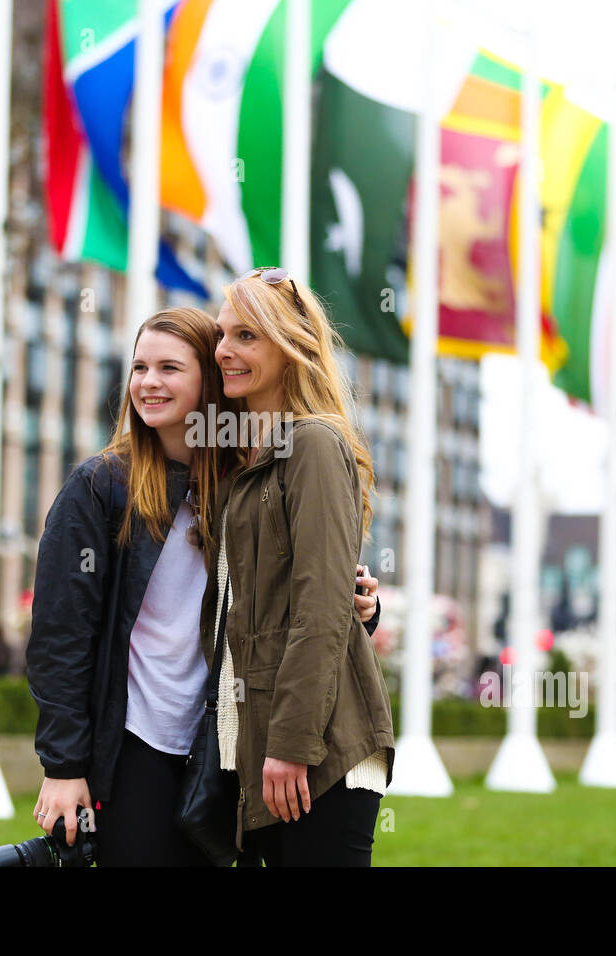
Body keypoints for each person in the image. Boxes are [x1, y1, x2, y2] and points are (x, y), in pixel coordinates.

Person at [25, 307, 381, 867]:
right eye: (139, 367)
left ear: (209, 383)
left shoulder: (250, 479)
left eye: (169, 367)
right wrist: (63, 766)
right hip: (137, 745)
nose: (148, 382)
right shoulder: (99, 487)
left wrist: (361, 602)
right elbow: (59, 637)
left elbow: (301, 596)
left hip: (225, 748)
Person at [202, 267, 395, 867]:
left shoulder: (311, 443)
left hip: (318, 754)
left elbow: (318, 606)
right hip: (273, 749)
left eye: (246, 337)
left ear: (291, 349)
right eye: (221, 334)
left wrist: (291, 744)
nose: (223, 351)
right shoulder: (252, 454)